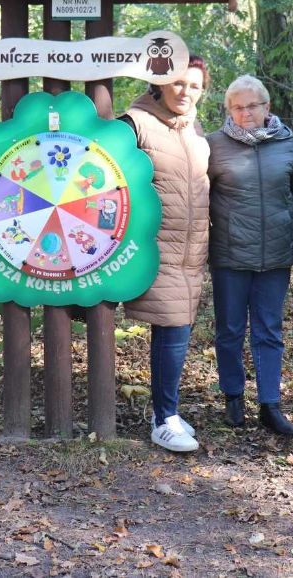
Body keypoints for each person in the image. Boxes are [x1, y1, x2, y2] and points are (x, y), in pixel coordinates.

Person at [206, 75, 293, 436]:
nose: (245, 112)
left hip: (277, 256)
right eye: (237, 106)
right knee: (230, 331)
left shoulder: (286, 143)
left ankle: (270, 405)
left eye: (252, 105)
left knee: (269, 331)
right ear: (229, 110)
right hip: (230, 256)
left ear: (267, 107)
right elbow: (197, 201)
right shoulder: (214, 146)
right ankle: (233, 398)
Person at [122, 55, 211, 452]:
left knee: (177, 330)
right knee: (173, 330)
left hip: (192, 251)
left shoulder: (194, 131)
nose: (185, 92)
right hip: (154, 248)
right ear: (158, 84)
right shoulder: (135, 124)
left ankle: (168, 409)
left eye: (194, 86)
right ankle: (163, 418)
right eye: (177, 83)